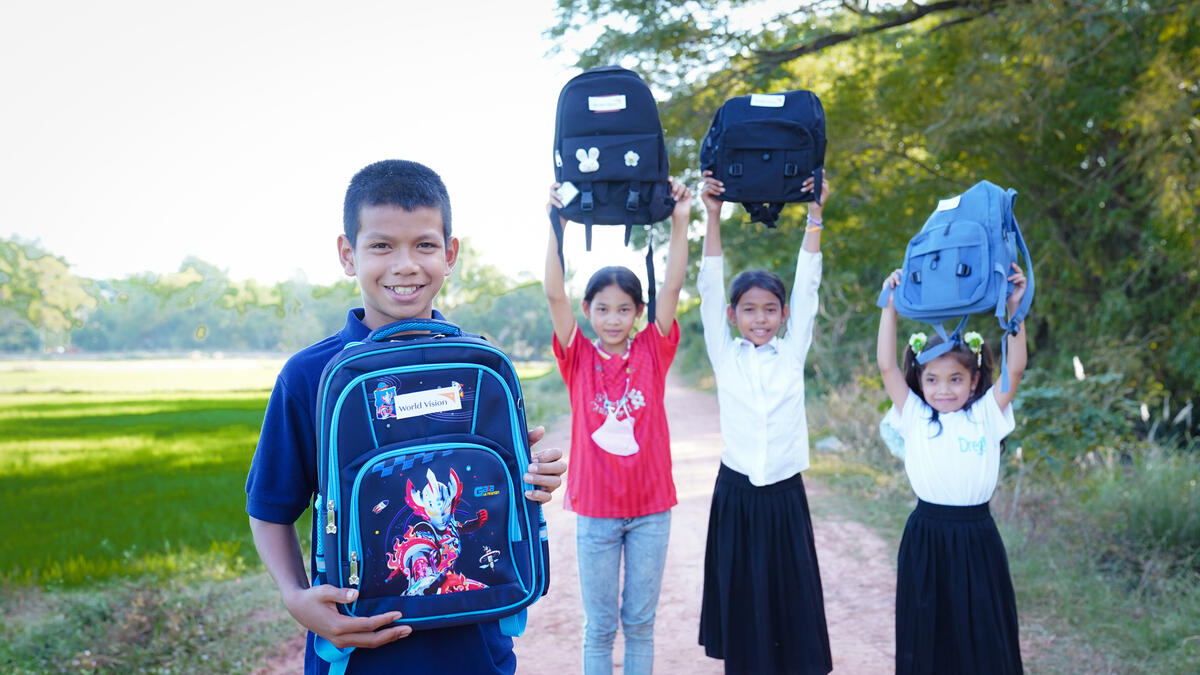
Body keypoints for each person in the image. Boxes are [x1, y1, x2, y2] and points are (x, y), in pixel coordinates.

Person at [245, 159, 567, 675]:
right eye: (381, 246)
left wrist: (530, 477)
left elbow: (499, 484)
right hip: (360, 649)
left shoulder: (478, 364)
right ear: (348, 255)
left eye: (424, 245)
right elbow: (270, 507)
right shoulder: (311, 375)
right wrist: (294, 595)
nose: (405, 265)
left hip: (475, 641)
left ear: (450, 253)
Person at [543, 178, 692, 674]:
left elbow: (671, 283)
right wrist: (556, 226)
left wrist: (679, 218)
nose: (612, 318)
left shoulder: (654, 347)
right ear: (588, 312)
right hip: (597, 515)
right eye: (602, 309)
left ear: (638, 313)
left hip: (652, 510)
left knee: (641, 624)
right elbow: (554, 295)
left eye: (623, 309)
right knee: (600, 626)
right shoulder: (578, 357)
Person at [695, 171, 834, 675]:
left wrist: (814, 215)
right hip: (738, 496)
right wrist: (712, 216)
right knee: (746, 605)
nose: (759, 318)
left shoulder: (791, 351)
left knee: (789, 602)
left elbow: (809, 282)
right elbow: (709, 287)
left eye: (770, 309)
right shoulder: (724, 354)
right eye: (749, 310)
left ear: (783, 313)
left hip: (783, 494)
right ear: (733, 316)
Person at [877, 263, 1029, 674]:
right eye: (933, 380)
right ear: (920, 381)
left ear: (974, 378)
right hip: (927, 535)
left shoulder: (986, 414)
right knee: (929, 633)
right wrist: (889, 308)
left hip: (977, 535)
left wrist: (1015, 311)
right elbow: (888, 367)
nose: (944, 389)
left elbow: (1015, 370)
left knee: (984, 632)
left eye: (955, 379)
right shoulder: (913, 414)